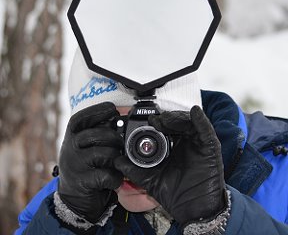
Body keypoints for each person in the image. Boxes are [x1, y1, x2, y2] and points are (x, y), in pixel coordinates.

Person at [15, 48, 288, 235]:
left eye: (150, 135)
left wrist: (217, 219)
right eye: (115, 132)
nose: (134, 155)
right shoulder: (65, 195)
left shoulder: (280, 172)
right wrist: (68, 221)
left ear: (188, 122)